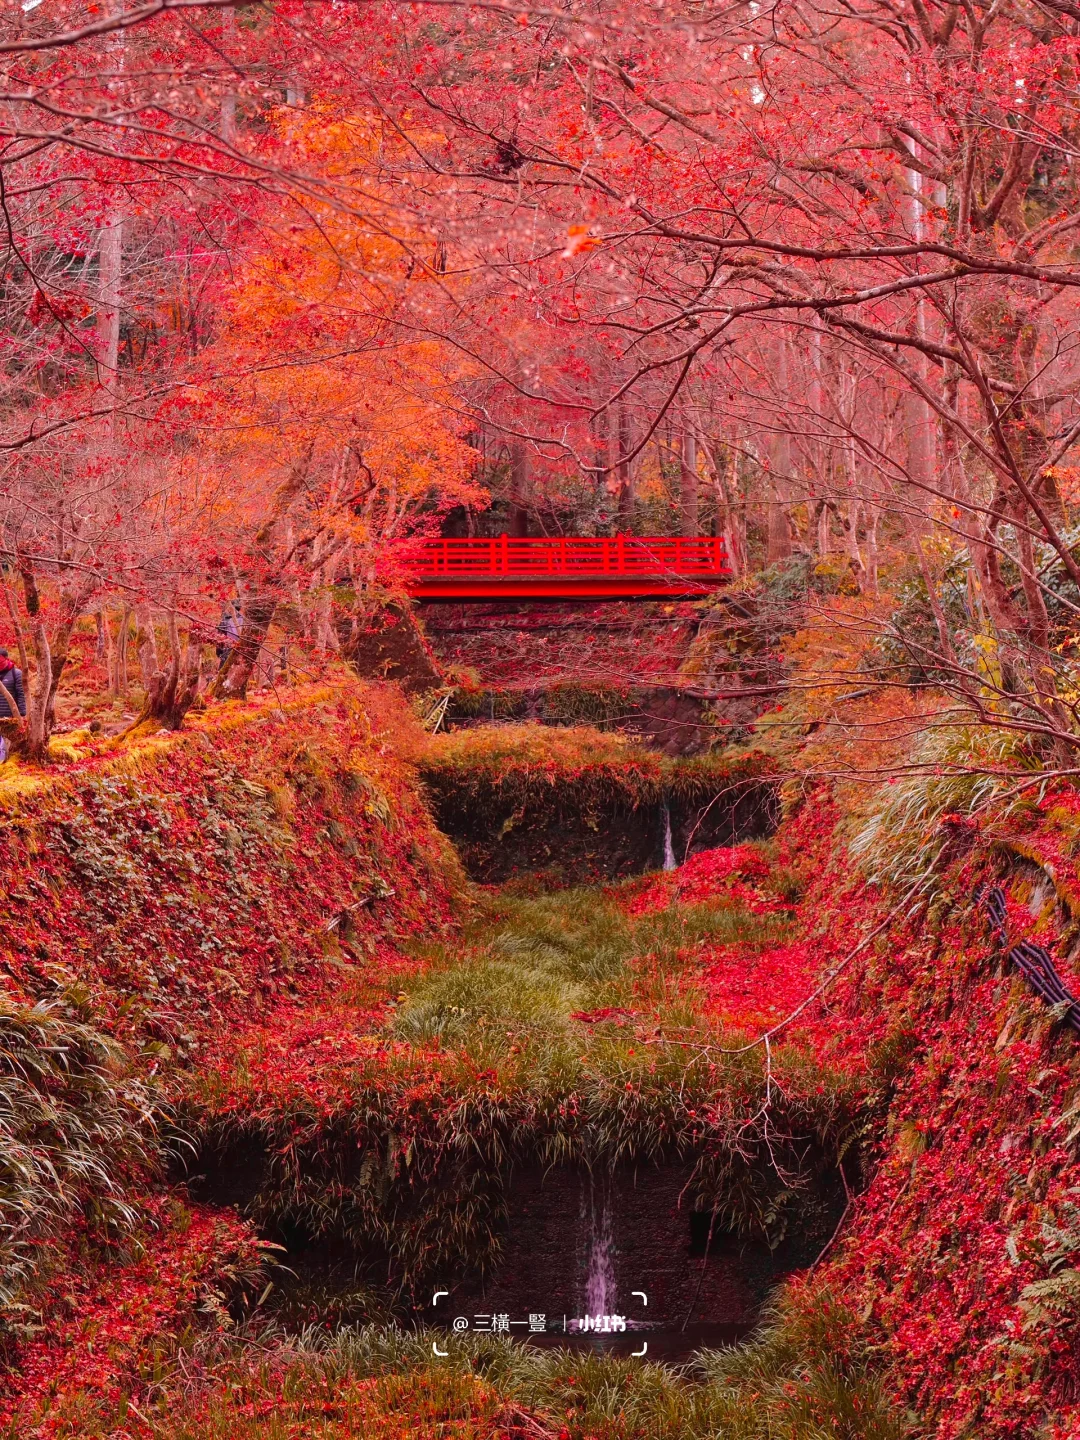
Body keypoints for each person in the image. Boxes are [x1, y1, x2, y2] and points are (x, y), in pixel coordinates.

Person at [0, 648, 27, 721]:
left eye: (0, 662)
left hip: (10, 717)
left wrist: (22, 714)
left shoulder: (16, 674)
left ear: (7, 659)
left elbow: (21, 694)